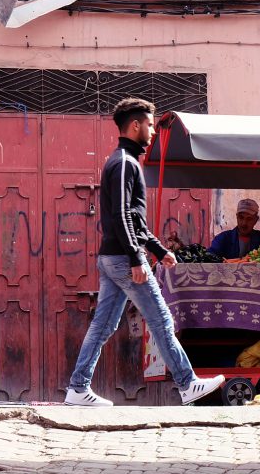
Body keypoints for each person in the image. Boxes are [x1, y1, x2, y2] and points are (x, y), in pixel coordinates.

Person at [65, 98, 225, 407]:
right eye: (150, 125)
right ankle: (188, 383)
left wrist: (158, 249)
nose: (153, 132)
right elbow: (123, 216)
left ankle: (77, 388)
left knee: (103, 325)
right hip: (124, 259)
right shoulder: (125, 162)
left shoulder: (122, 161)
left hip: (112, 257)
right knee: (162, 319)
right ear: (135, 125)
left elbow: (134, 220)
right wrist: (138, 258)